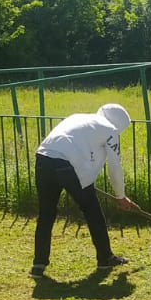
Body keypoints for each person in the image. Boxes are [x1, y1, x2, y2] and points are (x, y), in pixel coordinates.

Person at [30, 103, 139, 279]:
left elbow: (75, 148)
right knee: (92, 210)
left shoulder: (78, 117)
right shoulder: (110, 130)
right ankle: (105, 258)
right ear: (120, 125)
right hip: (65, 164)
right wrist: (121, 196)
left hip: (43, 158)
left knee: (46, 213)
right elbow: (114, 167)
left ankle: (38, 265)